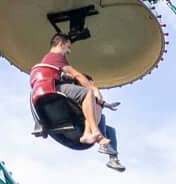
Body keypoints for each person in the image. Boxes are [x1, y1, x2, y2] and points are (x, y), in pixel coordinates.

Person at [30, 31, 124, 171]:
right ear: (61, 44)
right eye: (68, 47)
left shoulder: (51, 63)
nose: (69, 51)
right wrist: (93, 88)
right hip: (53, 92)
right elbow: (77, 75)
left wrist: (104, 103)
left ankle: (112, 156)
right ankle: (93, 133)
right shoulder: (56, 57)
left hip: (43, 95)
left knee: (106, 123)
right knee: (88, 94)